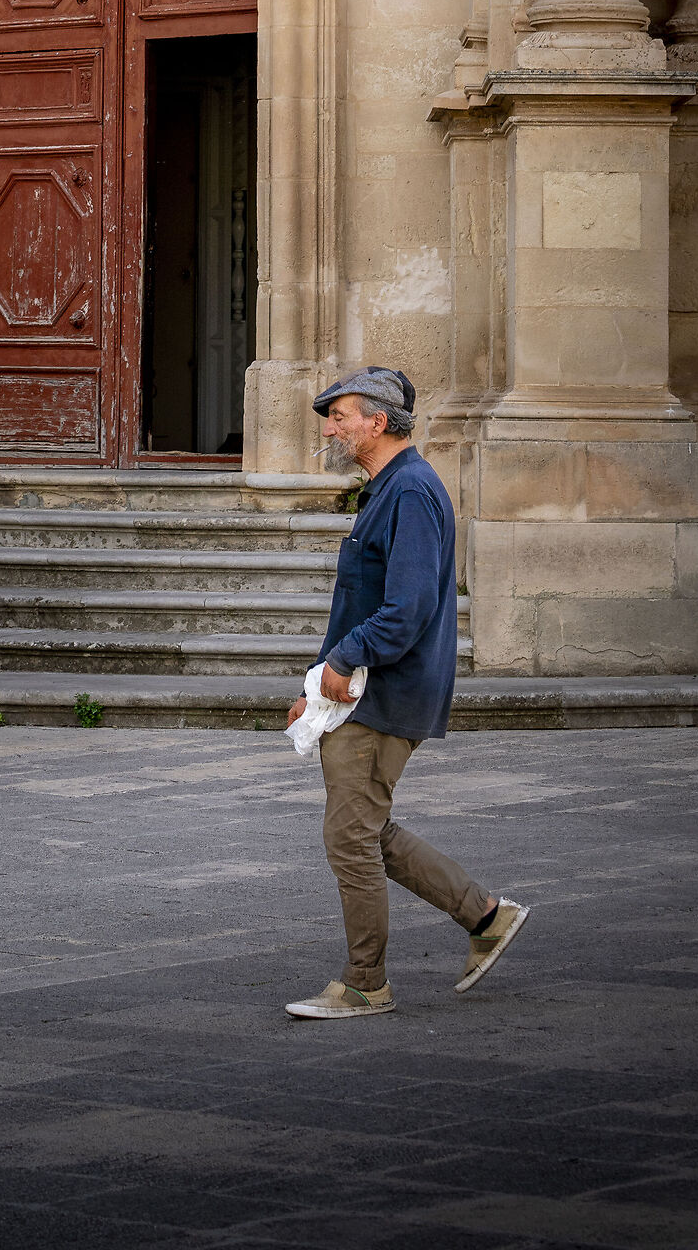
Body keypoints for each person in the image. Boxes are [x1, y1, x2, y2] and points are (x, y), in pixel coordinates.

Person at [284, 366, 530, 1018]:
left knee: (350, 839)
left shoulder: (411, 491)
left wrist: (345, 660)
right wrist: (318, 682)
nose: (330, 429)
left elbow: (408, 607)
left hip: (383, 694)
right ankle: (485, 917)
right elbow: (361, 602)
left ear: (378, 421)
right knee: (364, 829)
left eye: (340, 416)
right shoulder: (389, 488)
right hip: (362, 691)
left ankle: (365, 983)